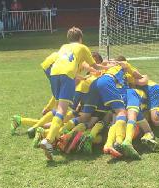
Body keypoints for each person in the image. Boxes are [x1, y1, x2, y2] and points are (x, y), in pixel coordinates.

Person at [36, 27, 113, 161]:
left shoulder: (63, 47)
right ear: (80, 38)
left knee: (60, 107)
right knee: (62, 109)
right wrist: (107, 67)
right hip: (67, 75)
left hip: (54, 73)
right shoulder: (82, 47)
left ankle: (49, 133)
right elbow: (94, 66)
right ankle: (48, 140)